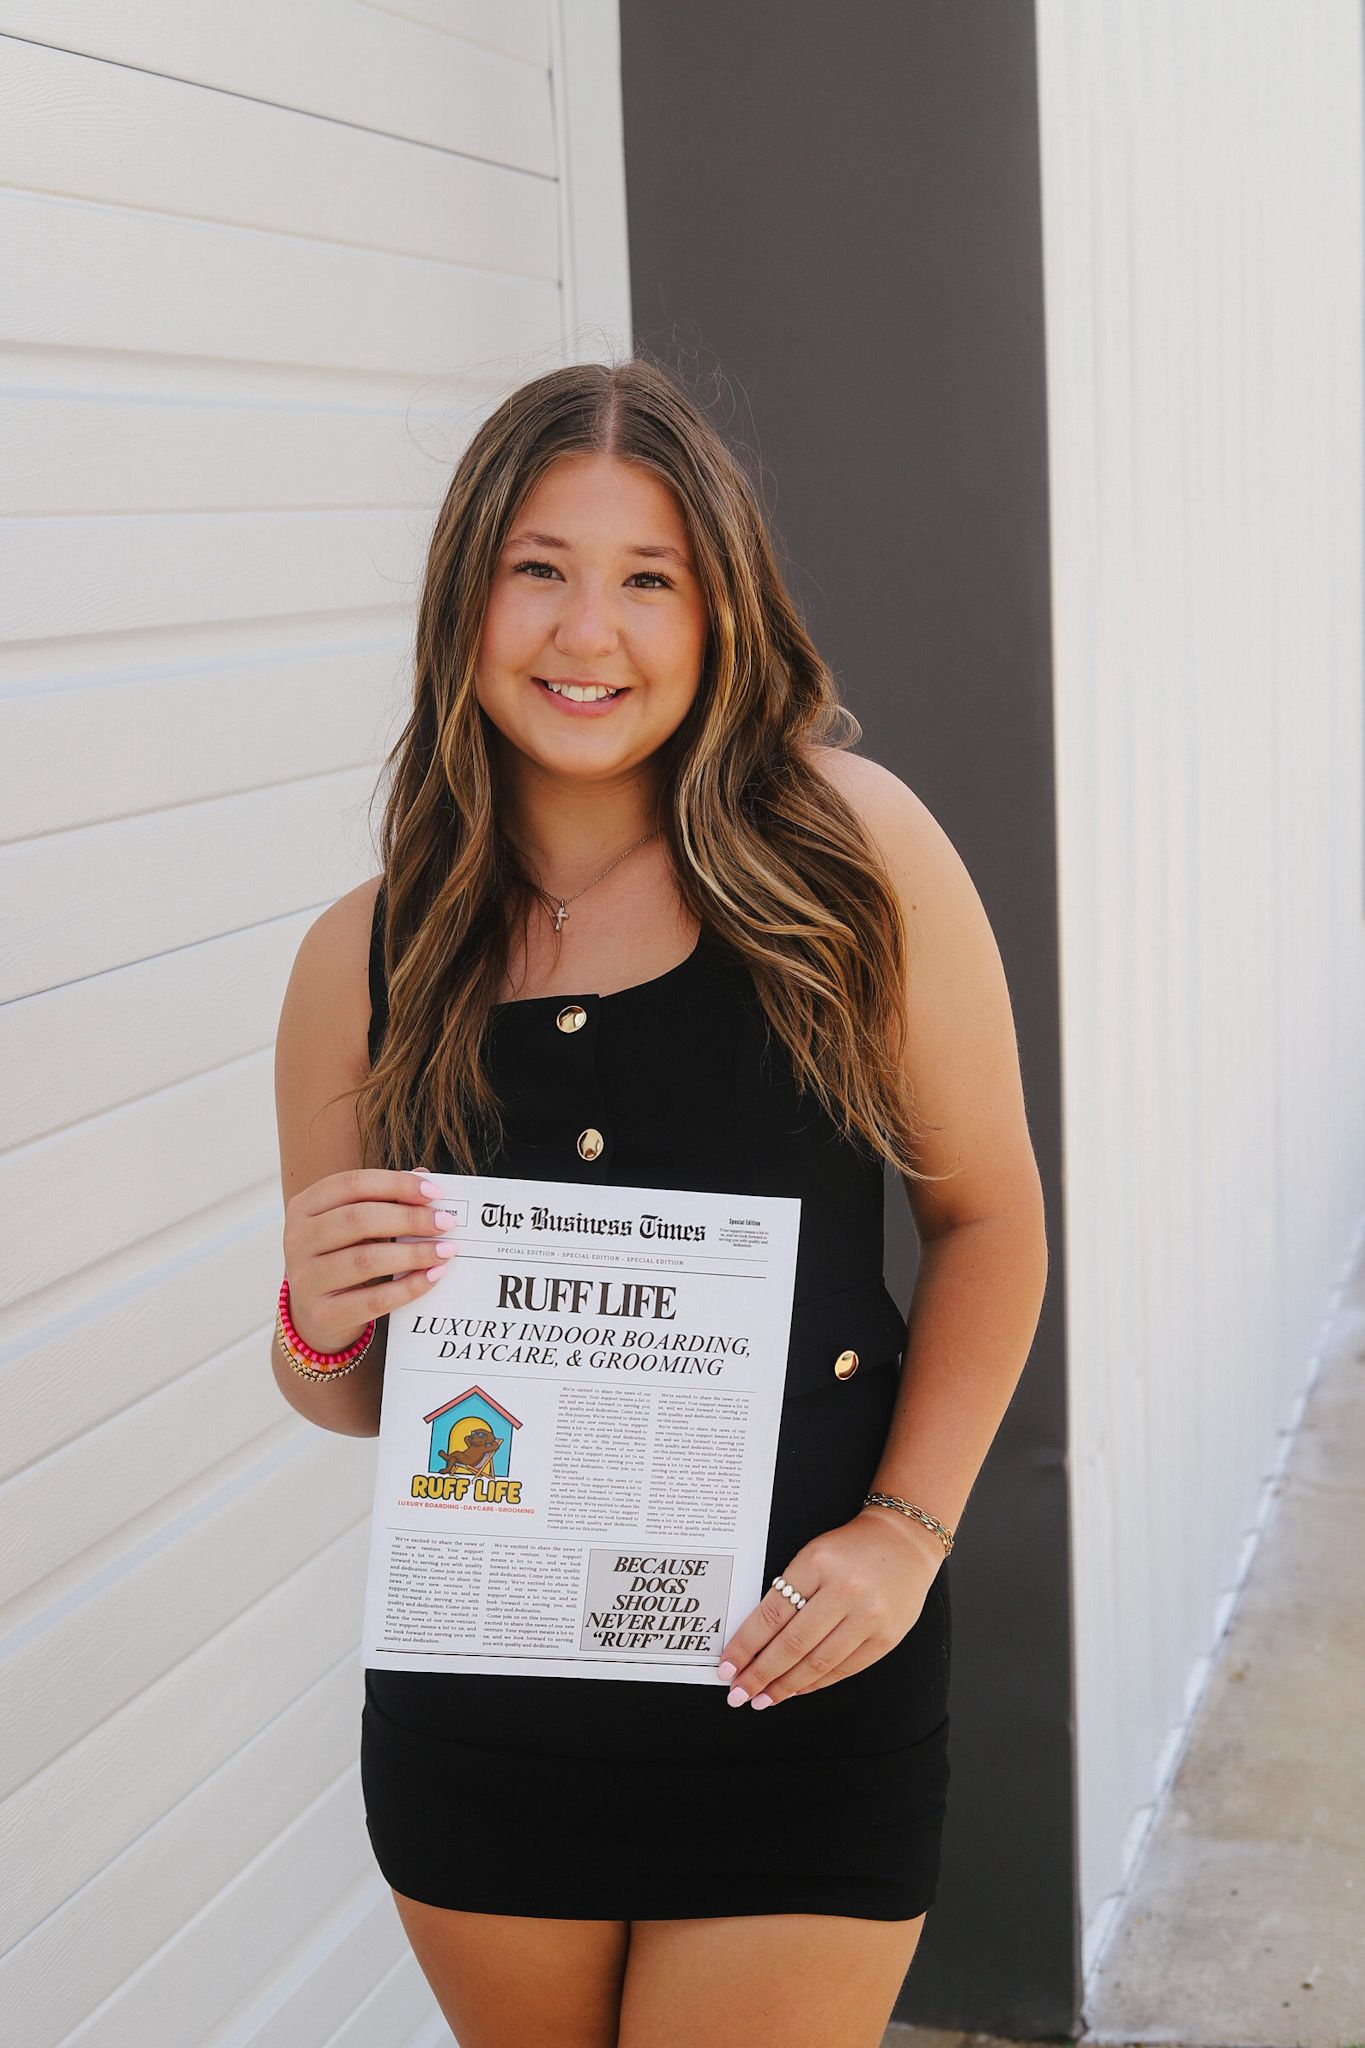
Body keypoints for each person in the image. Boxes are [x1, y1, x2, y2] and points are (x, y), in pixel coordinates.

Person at [271, 357, 1048, 2048]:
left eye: (647, 581)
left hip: (798, 1676)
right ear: (465, 597)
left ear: (719, 616)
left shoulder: (851, 855)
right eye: (536, 569)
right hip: (487, 1711)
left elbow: (991, 1223)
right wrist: (311, 1312)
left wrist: (904, 1541)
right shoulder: (365, 954)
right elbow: (347, 1394)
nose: (585, 634)